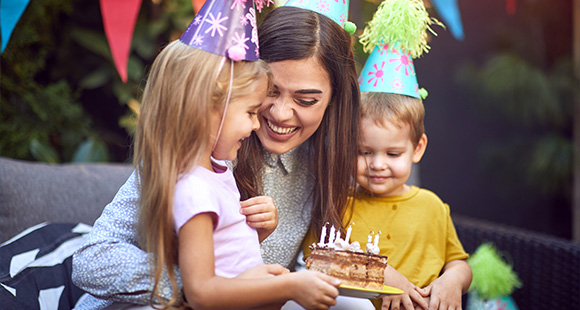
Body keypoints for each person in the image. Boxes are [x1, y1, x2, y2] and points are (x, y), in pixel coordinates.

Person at [72, 1, 360, 309]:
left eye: (305, 100)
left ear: (334, 101)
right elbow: (92, 260)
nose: (279, 114)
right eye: (270, 92)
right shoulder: (193, 158)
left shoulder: (323, 163)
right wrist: (206, 279)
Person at [302, 1, 472, 309]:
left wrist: (453, 280)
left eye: (393, 153)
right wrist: (380, 275)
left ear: (417, 148)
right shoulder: (336, 204)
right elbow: (314, 263)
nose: (377, 164)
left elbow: (458, 262)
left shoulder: (432, 207)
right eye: (363, 152)